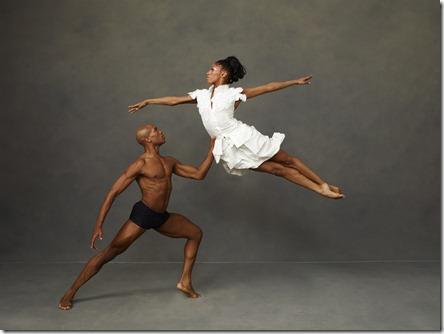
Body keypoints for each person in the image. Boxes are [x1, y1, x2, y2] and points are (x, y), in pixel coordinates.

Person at [128, 56, 344, 199]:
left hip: (242, 136)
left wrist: (294, 82)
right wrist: (149, 100)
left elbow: (268, 87)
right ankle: (319, 189)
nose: (207, 72)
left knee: (287, 160)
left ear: (223, 74)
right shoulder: (201, 96)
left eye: (211, 69)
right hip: (227, 147)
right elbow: (174, 100)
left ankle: (323, 185)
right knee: (277, 170)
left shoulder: (233, 93)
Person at [58, 124, 215, 310]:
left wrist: (213, 148)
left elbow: (198, 174)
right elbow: (113, 192)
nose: (161, 131)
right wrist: (98, 225)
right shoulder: (140, 164)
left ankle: (185, 282)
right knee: (108, 254)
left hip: (160, 216)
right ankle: (70, 292)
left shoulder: (169, 161)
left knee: (195, 233)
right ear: (147, 139)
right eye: (156, 130)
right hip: (143, 215)